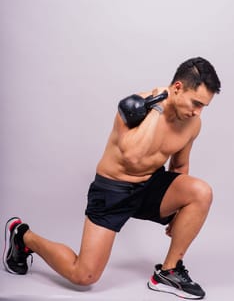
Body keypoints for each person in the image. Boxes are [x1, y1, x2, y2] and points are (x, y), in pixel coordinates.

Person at [3, 57, 221, 299]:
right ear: (177, 88)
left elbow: (179, 165)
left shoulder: (192, 123)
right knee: (84, 276)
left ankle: (168, 271)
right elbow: (132, 156)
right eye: (196, 103)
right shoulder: (135, 108)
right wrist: (158, 107)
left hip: (150, 186)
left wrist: (179, 211)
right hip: (113, 192)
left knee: (201, 192)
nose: (197, 112)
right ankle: (23, 236)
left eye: (204, 107)